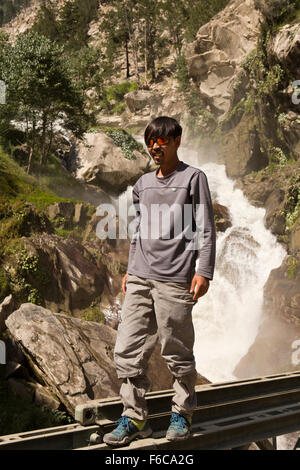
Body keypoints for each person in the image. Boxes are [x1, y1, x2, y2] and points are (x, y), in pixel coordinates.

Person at [103, 116, 216, 447]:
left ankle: (182, 412)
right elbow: (138, 230)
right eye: (150, 141)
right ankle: (135, 416)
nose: (155, 146)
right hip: (140, 276)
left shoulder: (194, 178)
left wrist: (204, 270)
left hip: (176, 277)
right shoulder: (142, 184)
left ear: (177, 141)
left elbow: (205, 227)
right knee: (127, 347)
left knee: (176, 350)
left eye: (162, 140)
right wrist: (129, 268)